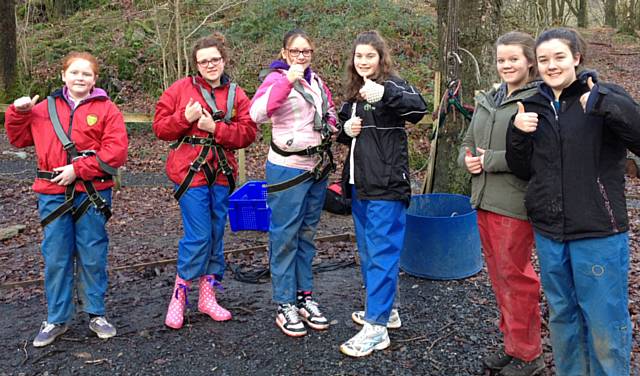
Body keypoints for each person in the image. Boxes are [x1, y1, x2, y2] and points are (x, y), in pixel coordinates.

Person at [506, 27, 640, 376]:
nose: (551, 65)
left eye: (559, 57)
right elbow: (522, 169)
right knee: (563, 316)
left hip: (598, 232)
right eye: (543, 59)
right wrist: (517, 132)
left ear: (576, 58)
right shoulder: (530, 103)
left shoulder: (604, 96)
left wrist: (604, 105)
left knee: (604, 321)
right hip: (551, 233)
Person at [5, 51, 128, 347]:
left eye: (86, 74)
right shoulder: (44, 108)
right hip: (52, 194)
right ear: (63, 76)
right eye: (74, 73)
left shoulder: (107, 109)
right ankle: (57, 318)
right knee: (57, 257)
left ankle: (96, 313)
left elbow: (116, 150)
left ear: (94, 79)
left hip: (92, 194)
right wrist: (17, 112)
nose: (80, 78)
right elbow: (18, 138)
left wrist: (78, 169)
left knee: (92, 253)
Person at [152, 33, 257, 329]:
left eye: (214, 59)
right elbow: (160, 128)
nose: (210, 65)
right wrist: (184, 119)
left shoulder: (236, 94)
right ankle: (180, 295)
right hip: (190, 172)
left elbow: (248, 133)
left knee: (215, 233)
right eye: (203, 61)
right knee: (199, 235)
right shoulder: (179, 90)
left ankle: (207, 295)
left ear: (223, 60)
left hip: (221, 172)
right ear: (195, 64)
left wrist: (216, 128)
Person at [458, 31, 544, 376]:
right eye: (501, 60)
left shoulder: (536, 100)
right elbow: (469, 139)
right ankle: (512, 346)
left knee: (516, 278)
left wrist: (489, 159)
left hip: (513, 202)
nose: (506, 65)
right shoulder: (490, 98)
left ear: (529, 62)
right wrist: (468, 159)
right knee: (499, 278)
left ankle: (529, 355)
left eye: (513, 59)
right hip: (483, 199)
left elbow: (537, 155)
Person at [336, 30, 427, 357]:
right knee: (370, 253)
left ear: (380, 57)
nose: (363, 61)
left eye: (369, 56)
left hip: (387, 187)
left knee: (382, 254)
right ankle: (387, 311)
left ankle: (376, 328)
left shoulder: (393, 85)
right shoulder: (354, 93)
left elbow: (419, 108)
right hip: (359, 186)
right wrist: (345, 130)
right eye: (359, 56)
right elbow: (343, 130)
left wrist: (385, 93)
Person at [250, 29, 338, 337]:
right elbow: (257, 113)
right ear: (285, 53)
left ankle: (305, 297)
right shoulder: (275, 80)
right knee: (285, 236)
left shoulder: (316, 82)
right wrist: (288, 79)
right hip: (288, 169)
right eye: (296, 51)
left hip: (316, 168)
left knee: (307, 234)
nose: (302, 56)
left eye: (306, 51)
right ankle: (284, 302)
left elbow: (328, 112)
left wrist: (332, 126)